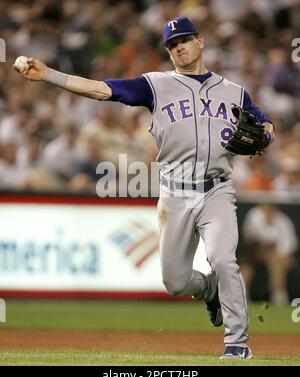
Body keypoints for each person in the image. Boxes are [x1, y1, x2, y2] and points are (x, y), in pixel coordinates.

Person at [14, 16, 274, 359]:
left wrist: (268, 132)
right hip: (175, 192)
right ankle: (208, 289)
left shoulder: (234, 91)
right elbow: (101, 89)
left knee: (224, 259)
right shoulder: (156, 85)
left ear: (200, 41)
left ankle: (237, 344)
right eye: (171, 44)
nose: (178, 47)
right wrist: (49, 75)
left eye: (183, 39)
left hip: (217, 190)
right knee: (175, 282)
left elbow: (265, 122)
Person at [242, 203, 298, 304]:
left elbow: (287, 248)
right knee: (246, 266)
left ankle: (279, 301)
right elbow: (248, 241)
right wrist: (259, 252)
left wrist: (276, 256)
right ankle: (241, 299)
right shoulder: (254, 216)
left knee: (278, 266)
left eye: (271, 210)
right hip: (255, 252)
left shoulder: (284, 222)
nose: (268, 213)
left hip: (275, 254)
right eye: (266, 209)